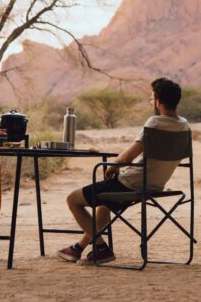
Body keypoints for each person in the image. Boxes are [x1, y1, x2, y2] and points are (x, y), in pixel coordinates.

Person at [58, 77, 190, 265]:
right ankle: (78, 248)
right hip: (155, 185)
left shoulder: (155, 123)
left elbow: (127, 157)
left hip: (130, 184)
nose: (151, 102)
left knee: (73, 199)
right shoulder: (184, 125)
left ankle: (102, 249)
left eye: (152, 98)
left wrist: (113, 166)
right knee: (105, 204)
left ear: (159, 102)